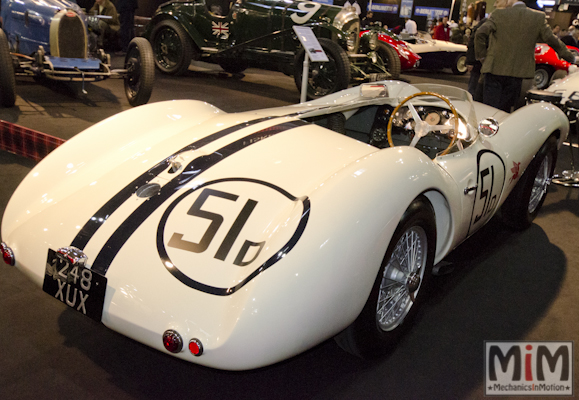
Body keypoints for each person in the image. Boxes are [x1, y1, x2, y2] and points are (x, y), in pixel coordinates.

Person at [474, 0, 575, 112]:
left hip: (494, 69)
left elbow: (480, 33)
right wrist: (571, 58)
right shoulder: (537, 17)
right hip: (518, 72)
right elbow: (553, 41)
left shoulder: (499, 14)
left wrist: (483, 56)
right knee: (505, 109)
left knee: (488, 108)